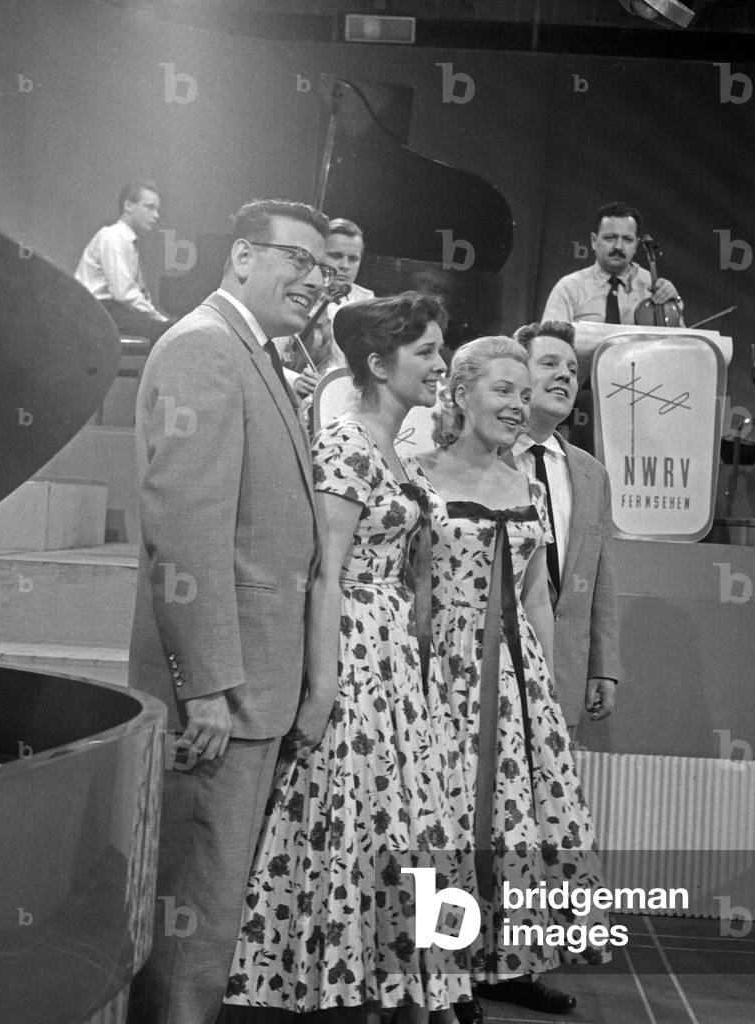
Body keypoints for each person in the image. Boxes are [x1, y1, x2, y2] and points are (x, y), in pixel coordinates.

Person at [224, 292, 473, 1021]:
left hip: (394, 653)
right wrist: (324, 686)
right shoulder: (343, 443)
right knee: (350, 820)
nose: (439, 364)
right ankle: (335, 986)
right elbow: (325, 571)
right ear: (376, 361)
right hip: (356, 650)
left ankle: (389, 985)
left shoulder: (392, 446)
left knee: (400, 821)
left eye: (440, 349)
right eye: (425, 352)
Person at [126, 198, 331, 1024]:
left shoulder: (250, 349)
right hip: (219, 693)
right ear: (243, 256)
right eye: (299, 261)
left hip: (248, 686)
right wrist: (206, 683)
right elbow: (186, 527)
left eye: (325, 268)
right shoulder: (209, 349)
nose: (316, 281)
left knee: (208, 913)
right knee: (192, 920)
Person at [414, 337, 611, 1021]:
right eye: (503, 390)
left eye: (523, 394)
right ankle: (446, 975)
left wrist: (548, 695)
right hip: (443, 672)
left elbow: (534, 598)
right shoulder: (418, 475)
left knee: (510, 825)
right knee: (448, 825)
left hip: (517, 681)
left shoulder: (525, 485)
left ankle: (505, 964)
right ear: (461, 391)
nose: (516, 405)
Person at [510, 320, 621, 730]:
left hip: (566, 672)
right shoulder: (486, 461)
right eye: (550, 364)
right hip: (494, 663)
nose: (565, 376)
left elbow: (601, 577)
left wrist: (603, 666)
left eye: (573, 371)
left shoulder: (592, 474)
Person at [281, 217, 377, 400]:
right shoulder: (294, 297)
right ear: (319, 255)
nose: (345, 266)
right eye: (336, 256)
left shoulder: (369, 305)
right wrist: (294, 380)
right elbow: (266, 356)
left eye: (353, 259)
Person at [541, 202, 683, 326]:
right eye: (610, 238)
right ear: (594, 241)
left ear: (636, 245)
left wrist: (674, 302)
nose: (618, 247)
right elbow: (551, 343)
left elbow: (678, 345)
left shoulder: (653, 287)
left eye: (627, 239)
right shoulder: (570, 287)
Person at [74, 181, 176, 343]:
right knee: (167, 333)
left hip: (110, 310)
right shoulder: (113, 237)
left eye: (157, 209)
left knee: (170, 328)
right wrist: (159, 319)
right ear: (128, 205)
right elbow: (123, 293)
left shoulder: (127, 240)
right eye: (149, 207)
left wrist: (161, 318)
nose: (156, 215)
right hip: (97, 312)